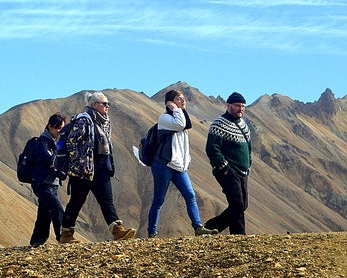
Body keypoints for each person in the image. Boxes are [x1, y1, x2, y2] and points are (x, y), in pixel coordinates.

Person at [60, 91, 136, 243]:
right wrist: (79, 162)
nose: (107, 106)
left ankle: (117, 230)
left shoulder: (105, 122)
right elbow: (71, 142)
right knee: (77, 201)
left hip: (101, 169)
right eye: (104, 104)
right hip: (83, 170)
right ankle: (66, 234)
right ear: (94, 105)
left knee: (106, 200)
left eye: (108, 104)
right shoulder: (84, 121)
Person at [146, 90, 218, 238]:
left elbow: (184, 126)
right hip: (163, 165)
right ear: (170, 102)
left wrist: (187, 162)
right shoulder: (165, 118)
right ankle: (152, 232)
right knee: (159, 199)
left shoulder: (182, 120)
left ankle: (198, 227)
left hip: (179, 167)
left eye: (184, 98)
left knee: (190, 195)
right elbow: (179, 124)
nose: (183, 101)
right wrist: (175, 108)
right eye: (179, 99)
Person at [204, 92, 252, 234]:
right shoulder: (219, 124)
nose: (241, 109)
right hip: (228, 171)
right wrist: (224, 167)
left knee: (242, 205)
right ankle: (239, 238)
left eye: (243, 106)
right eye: (238, 106)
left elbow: (248, 147)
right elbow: (211, 148)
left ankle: (210, 228)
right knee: (237, 203)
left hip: (243, 172)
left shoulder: (243, 125)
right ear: (228, 105)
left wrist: (249, 163)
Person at [29, 114, 67, 247]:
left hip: (53, 183)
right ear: (50, 126)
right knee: (56, 208)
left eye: (62, 128)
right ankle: (63, 237)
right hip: (42, 182)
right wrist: (58, 169)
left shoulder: (59, 141)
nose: (60, 131)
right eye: (58, 128)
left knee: (45, 212)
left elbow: (63, 155)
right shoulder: (42, 141)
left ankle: (37, 241)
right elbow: (48, 159)